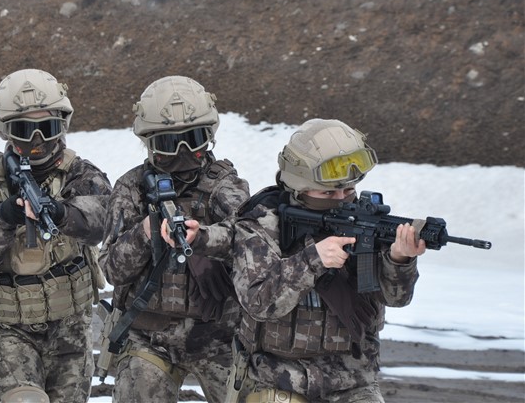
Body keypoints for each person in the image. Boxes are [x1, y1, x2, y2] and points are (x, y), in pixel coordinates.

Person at [229, 118, 425, 403]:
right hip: (277, 379)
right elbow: (259, 303)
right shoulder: (262, 225)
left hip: (353, 382)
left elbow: (396, 299)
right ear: (299, 188)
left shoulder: (364, 222)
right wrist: (313, 260)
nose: (342, 199)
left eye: (349, 191)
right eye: (328, 193)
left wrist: (399, 259)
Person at [0, 68, 112, 403]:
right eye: (24, 130)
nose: (37, 140)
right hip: (7, 329)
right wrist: (3, 218)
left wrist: (62, 213)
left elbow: (103, 222)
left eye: (47, 128)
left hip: (69, 330)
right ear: (5, 130)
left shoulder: (82, 174)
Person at [98, 75, 250, 403]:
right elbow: (111, 270)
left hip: (218, 337)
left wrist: (205, 240)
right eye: (169, 144)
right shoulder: (132, 188)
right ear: (150, 142)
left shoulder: (225, 187)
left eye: (193, 140)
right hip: (149, 337)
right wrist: (144, 232)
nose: (182, 152)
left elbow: (251, 248)